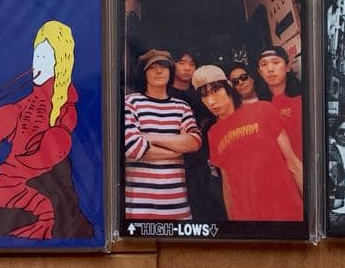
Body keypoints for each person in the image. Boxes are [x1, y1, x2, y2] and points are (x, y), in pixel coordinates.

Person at [0, 20, 94, 240]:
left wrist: (37, 156)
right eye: (36, 56)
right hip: (11, 175)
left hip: (38, 176)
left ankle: (45, 225)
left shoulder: (65, 103)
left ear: (59, 62)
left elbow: (62, 136)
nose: (37, 63)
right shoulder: (24, 103)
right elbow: (13, 114)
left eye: (44, 57)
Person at [194, 64, 303, 221]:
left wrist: (312, 211)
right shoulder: (213, 134)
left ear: (228, 87)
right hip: (246, 218)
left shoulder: (263, 109)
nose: (211, 101)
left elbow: (293, 163)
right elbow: (227, 185)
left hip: (285, 211)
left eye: (215, 91)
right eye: (204, 96)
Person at [123, 49, 202, 221]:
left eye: (164, 67)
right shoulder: (131, 102)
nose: (159, 71)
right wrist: (177, 150)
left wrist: (149, 137)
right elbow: (133, 148)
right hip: (138, 208)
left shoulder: (182, 107)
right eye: (152, 67)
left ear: (170, 72)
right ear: (144, 74)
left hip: (178, 207)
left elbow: (195, 142)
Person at [168, 50, 224, 222]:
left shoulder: (202, 94)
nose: (187, 68)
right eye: (182, 63)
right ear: (173, 65)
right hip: (176, 160)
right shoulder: (165, 94)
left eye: (192, 64)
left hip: (204, 160)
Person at [257, 46, 303, 160]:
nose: (270, 69)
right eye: (264, 64)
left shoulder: (302, 101)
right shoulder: (261, 108)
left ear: (287, 67)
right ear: (260, 72)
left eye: (276, 62)